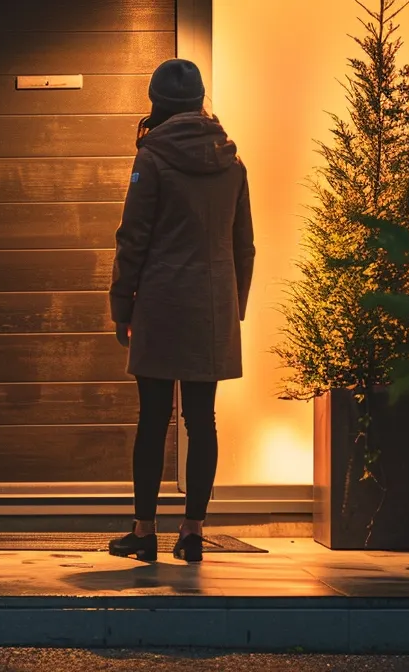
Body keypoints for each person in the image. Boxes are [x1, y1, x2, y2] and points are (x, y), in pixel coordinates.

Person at [107, 58, 255, 563]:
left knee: (153, 418)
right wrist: (235, 306)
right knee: (202, 420)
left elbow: (134, 239)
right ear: (199, 103)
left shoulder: (152, 159)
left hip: (160, 302)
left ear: (158, 105)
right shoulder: (232, 162)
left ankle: (144, 532)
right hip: (212, 305)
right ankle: (192, 531)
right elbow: (244, 245)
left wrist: (120, 300)